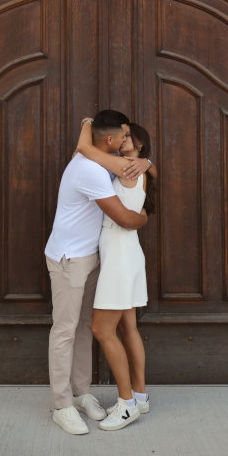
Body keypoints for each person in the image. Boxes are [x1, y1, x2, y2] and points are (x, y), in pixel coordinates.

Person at [43, 110, 150, 435]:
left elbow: (139, 164)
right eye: (123, 135)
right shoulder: (90, 168)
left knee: (84, 328)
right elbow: (125, 219)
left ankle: (80, 393)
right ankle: (61, 405)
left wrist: (146, 162)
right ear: (110, 139)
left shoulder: (104, 159)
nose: (126, 141)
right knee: (65, 330)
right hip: (69, 258)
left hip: (91, 256)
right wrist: (143, 218)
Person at [75, 117, 155, 431]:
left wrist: (87, 124)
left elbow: (84, 148)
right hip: (126, 252)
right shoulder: (136, 168)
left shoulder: (126, 167)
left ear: (140, 143)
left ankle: (126, 404)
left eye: (129, 136)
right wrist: (149, 162)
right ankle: (140, 396)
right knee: (128, 327)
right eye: (122, 135)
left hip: (120, 257)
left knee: (102, 329)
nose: (122, 139)